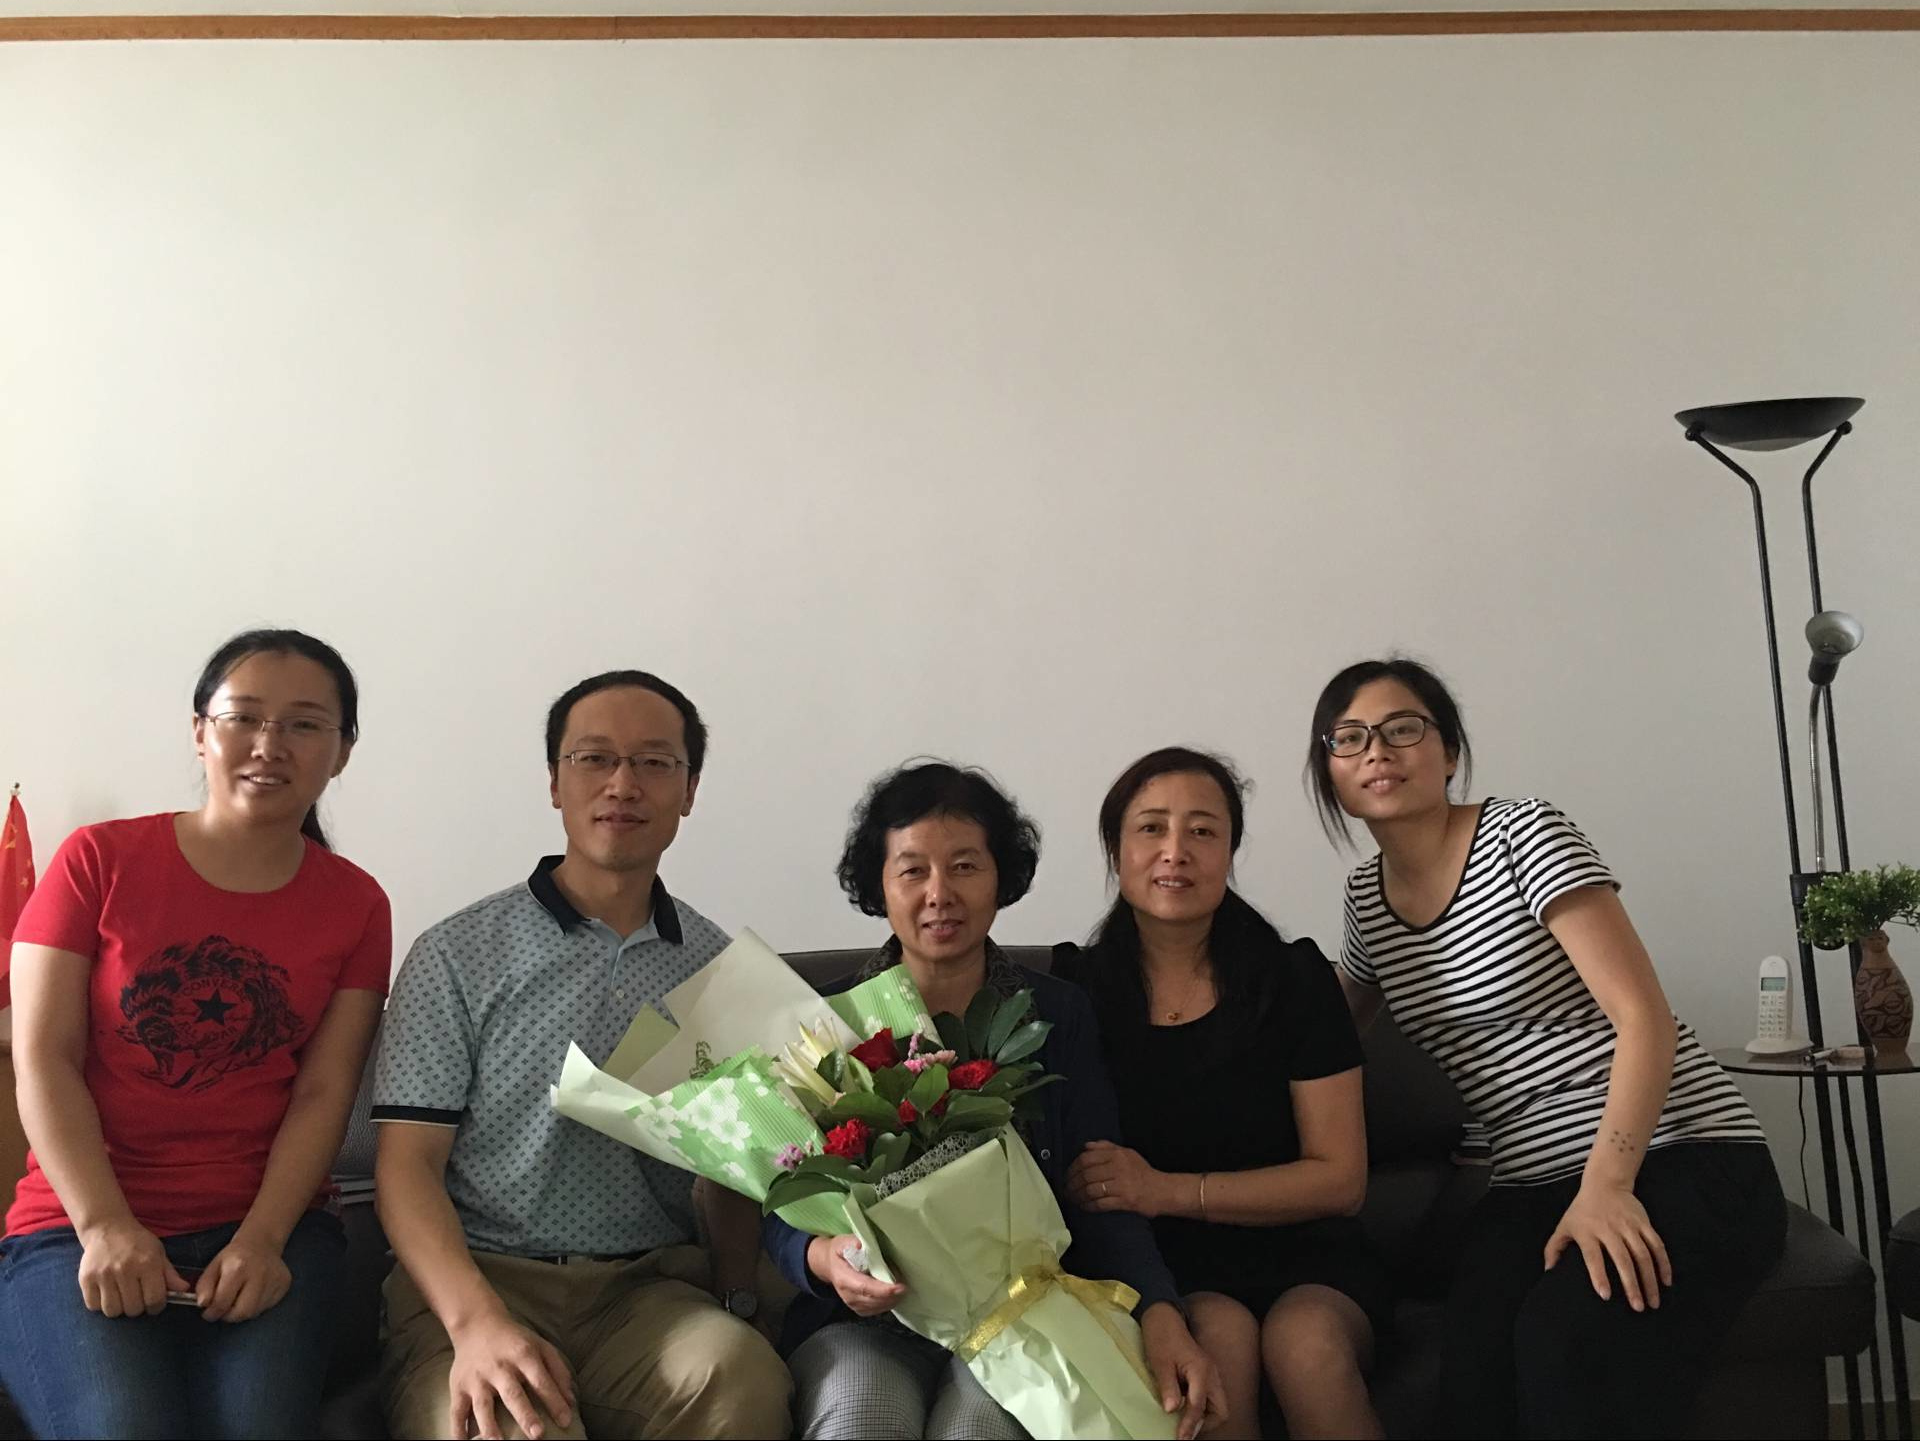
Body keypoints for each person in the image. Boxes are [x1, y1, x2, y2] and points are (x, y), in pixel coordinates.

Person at [1309, 656, 1785, 1439]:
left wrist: (1608, 1186)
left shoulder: (1521, 832)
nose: (1378, 751)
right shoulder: (1367, 902)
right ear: (1330, 770)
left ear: (1448, 750)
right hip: (1529, 1186)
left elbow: (1644, 1017)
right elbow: (1319, 1037)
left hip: (1677, 1155)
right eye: (1350, 737)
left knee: (1566, 1345)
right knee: (1473, 1372)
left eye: (1402, 728)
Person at [372, 669, 789, 1441]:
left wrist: (740, 1295)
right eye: (595, 758)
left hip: (647, 1293)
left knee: (742, 1379)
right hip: (478, 1280)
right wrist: (476, 1323)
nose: (622, 784)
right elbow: (406, 1166)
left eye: (654, 762)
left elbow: (733, 1168)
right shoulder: (457, 953)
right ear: (554, 782)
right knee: (507, 1422)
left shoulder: (716, 967)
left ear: (689, 790)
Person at [0, 628, 390, 1438]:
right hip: (76, 1226)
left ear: (343, 751)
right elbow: (43, 1057)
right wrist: (104, 1225)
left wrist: (264, 1239)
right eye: (243, 716)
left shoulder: (357, 903)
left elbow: (325, 1090)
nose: (270, 744)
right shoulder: (97, 860)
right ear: (200, 731)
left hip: (272, 1232)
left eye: (305, 724)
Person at [765, 761, 1226, 1441]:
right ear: (879, 883)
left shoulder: (1057, 1014)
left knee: (978, 1430)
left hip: (1020, 1313)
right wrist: (820, 1256)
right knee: (863, 1414)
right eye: (913, 870)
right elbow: (777, 1195)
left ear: (1001, 876)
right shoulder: (823, 1024)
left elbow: (1099, 1184)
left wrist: (1159, 1308)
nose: (940, 893)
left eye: (965, 866)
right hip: (866, 1320)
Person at [1057, 745, 1387, 1439]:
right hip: (1164, 1267)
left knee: (1306, 1345)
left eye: (1202, 830)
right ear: (1116, 850)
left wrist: (1165, 1189)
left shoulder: (1295, 979)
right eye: (1151, 828)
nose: (1176, 851)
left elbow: (1341, 1180)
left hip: (1308, 1253)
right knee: (1219, 1341)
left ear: (1231, 850)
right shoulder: (1075, 992)